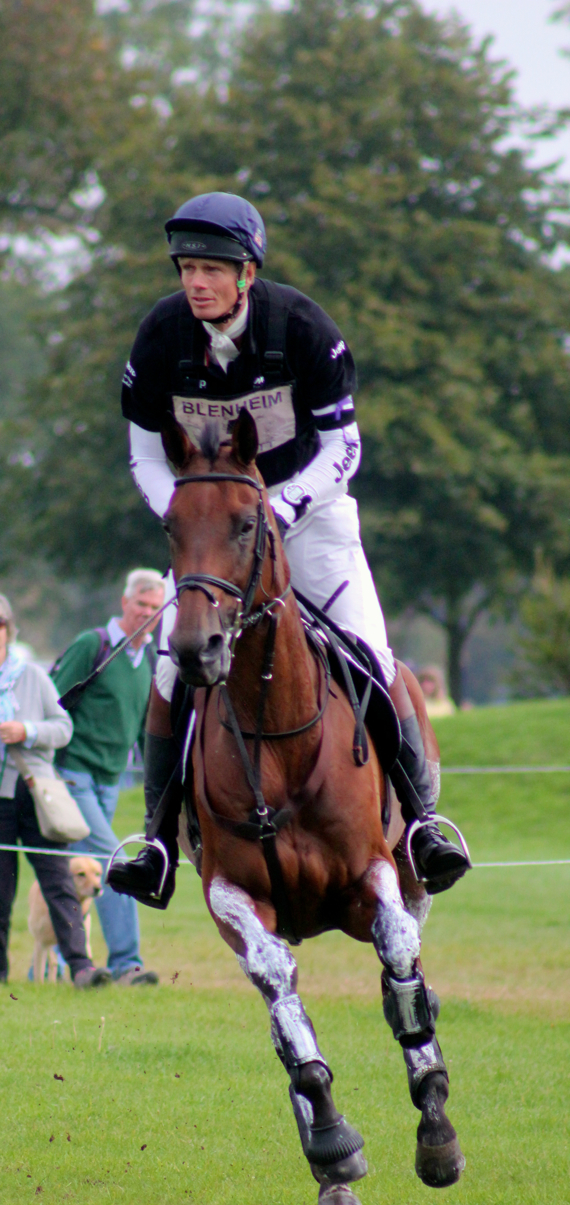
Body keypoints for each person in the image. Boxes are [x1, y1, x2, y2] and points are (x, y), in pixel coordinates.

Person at [116, 191, 470, 902]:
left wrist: (272, 513)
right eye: (187, 267)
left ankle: (423, 826)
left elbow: (344, 446)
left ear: (247, 272)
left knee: (371, 653)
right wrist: (198, 516)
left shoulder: (302, 327)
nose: (196, 282)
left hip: (309, 522)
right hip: (215, 536)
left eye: (212, 269)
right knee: (168, 668)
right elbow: (144, 456)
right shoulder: (161, 336)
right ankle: (157, 840)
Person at [52, 569, 164, 984]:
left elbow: (142, 728)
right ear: (125, 602)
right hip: (73, 776)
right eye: (141, 605)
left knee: (85, 870)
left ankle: (72, 965)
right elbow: (56, 702)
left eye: (155, 608)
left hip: (111, 781)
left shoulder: (150, 659)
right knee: (113, 860)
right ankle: (126, 964)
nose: (147, 614)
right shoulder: (93, 644)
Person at [0, 593, 110, 987]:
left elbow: (63, 729)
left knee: (60, 883)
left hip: (37, 795)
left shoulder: (31, 677)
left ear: (8, 631)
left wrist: (25, 731)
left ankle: (81, 968)